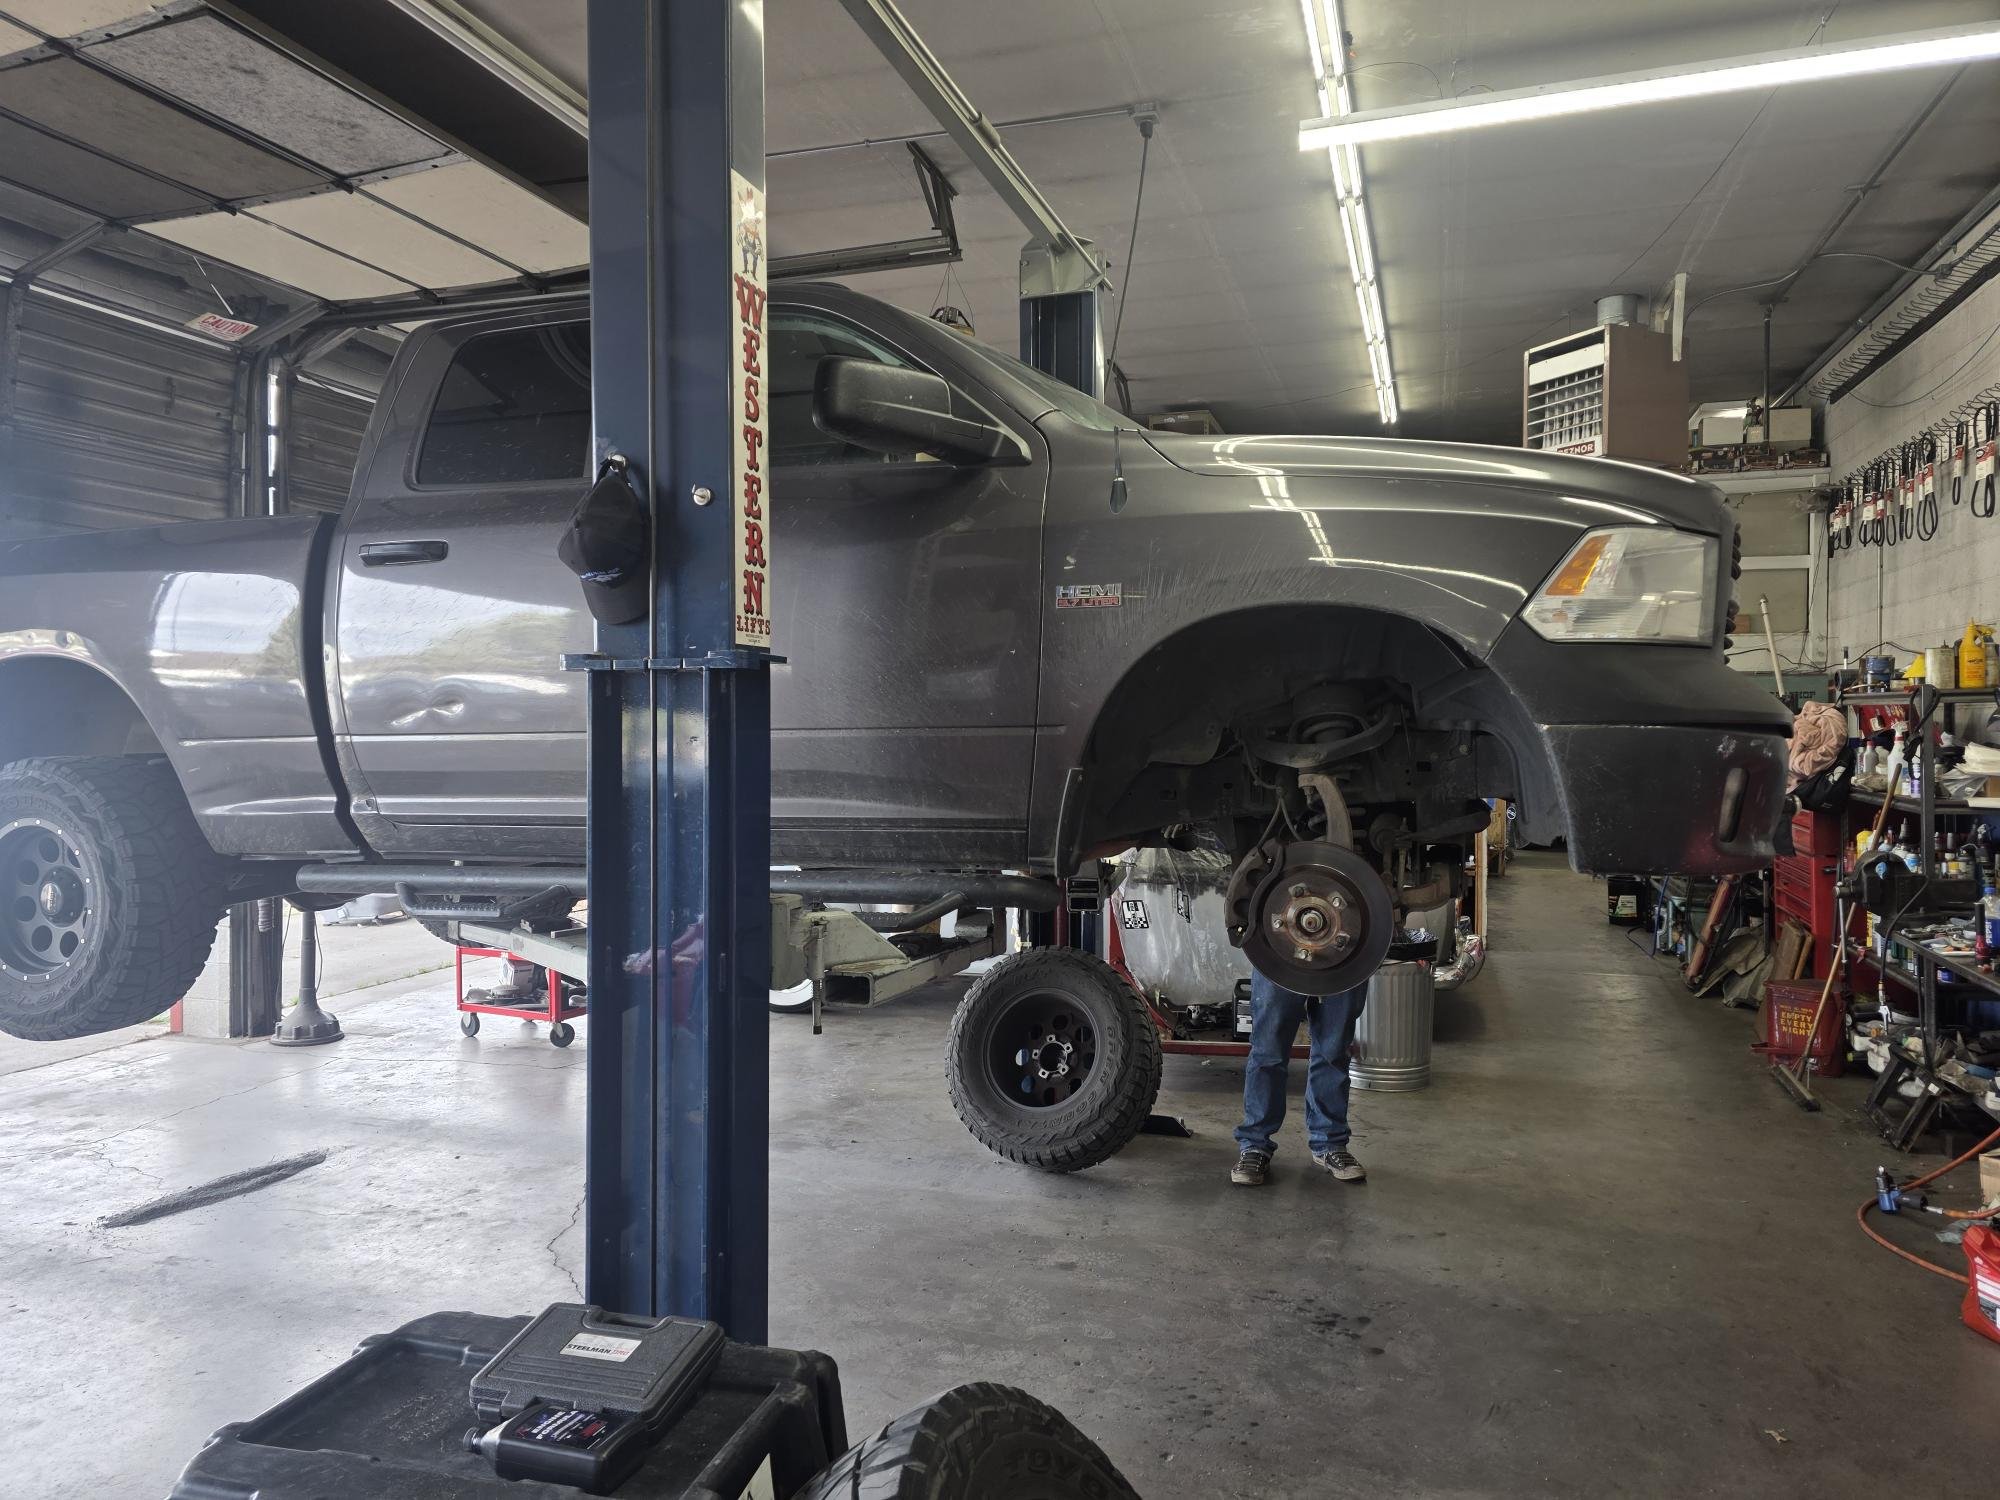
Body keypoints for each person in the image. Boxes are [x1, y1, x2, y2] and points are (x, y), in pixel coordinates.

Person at [1230, 971, 1367, 1186]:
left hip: (1346, 956)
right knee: (1268, 1050)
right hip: (1277, 952)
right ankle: (1255, 1144)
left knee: (1333, 1052)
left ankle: (1330, 1142)